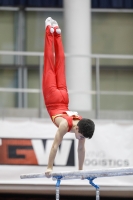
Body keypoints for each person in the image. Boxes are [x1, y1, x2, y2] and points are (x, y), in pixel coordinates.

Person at [42, 17, 95, 177]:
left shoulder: (83, 123)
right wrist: (49, 167)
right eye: (81, 136)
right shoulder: (65, 125)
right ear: (77, 129)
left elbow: (81, 148)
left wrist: (80, 171)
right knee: (50, 63)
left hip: (64, 98)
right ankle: (49, 31)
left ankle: (57, 33)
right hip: (53, 97)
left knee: (60, 64)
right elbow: (54, 146)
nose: (80, 139)